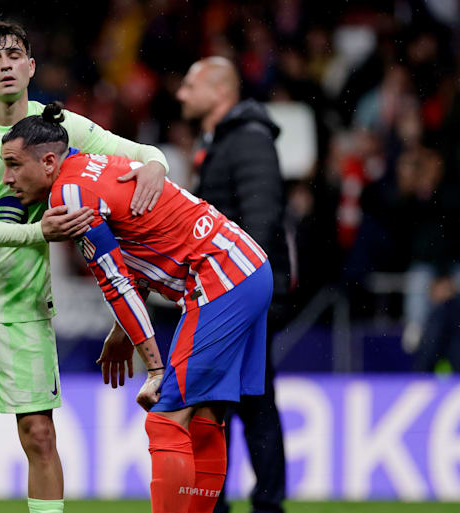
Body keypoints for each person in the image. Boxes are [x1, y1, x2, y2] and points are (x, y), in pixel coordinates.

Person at [0, 21, 170, 513]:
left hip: (23, 305)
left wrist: (155, 164)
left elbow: (140, 152)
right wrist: (38, 232)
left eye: (14, 55)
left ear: (30, 67)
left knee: (40, 436)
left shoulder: (58, 124)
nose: (4, 65)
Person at [0, 102, 272, 513]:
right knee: (202, 421)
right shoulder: (96, 165)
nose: (7, 179)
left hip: (220, 278)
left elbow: (117, 282)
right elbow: (146, 246)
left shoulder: (70, 193)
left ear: (49, 161)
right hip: (248, 265)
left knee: (165, 420)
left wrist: (156, 366)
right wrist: (120, 334)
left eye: (14, 165)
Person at [176, 57, 290, 513]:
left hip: (241, 294)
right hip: (228, 291)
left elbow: (262, 220)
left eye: (189, 84)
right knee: (237, 401)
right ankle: (245, 503)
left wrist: (240, 293)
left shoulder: (248, 142)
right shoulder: (225, 142)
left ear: (220, 92)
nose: (181, 94)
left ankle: (258, 503)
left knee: (240, 402)